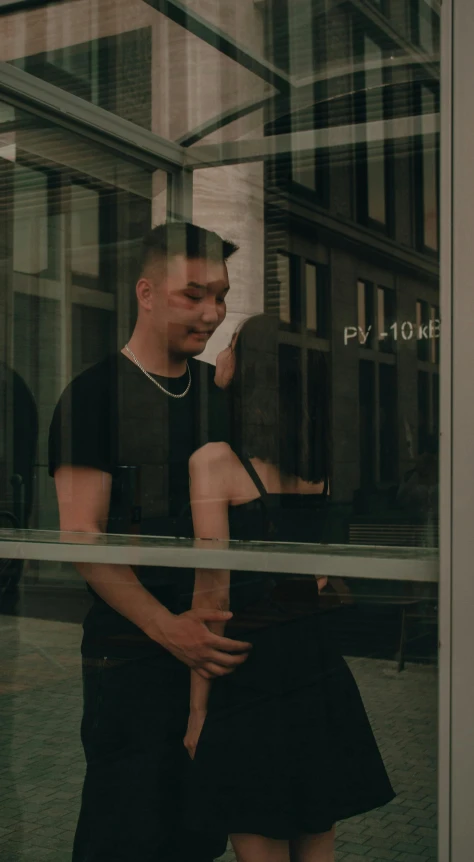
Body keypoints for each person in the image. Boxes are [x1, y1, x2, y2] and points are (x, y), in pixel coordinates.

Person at [48, 222, 253, 862]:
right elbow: (82, 538)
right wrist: (172, 630)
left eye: (220, 295)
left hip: (215, 659)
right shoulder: (93, 394)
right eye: (193, 295)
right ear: (145, 292)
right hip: (129, 661)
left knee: (197, 836)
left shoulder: (222, 399)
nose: (213, 312)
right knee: (125, 831)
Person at [184, 314, 395, 862]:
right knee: (316, 838)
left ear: (249, 368)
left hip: (252, 676)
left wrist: (198, 711)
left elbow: (213, 597)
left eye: (230, 343)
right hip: (317, 671)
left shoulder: (213, 463)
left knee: (258, 838)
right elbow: (316, 576)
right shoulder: (314, 468)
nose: (220, 353)